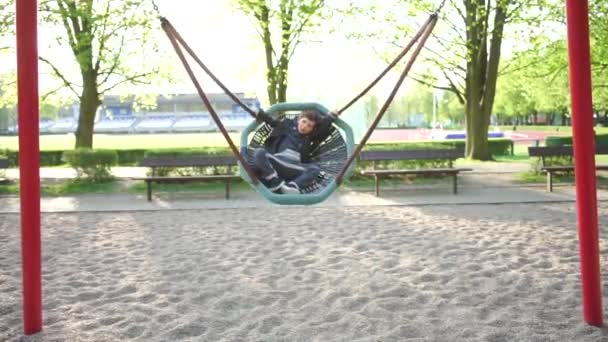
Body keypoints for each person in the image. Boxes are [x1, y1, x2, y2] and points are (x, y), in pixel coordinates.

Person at [251, 109, 340, 194]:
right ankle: (273, 179)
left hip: (295, 167)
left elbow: (322, 129)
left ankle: (292, 186)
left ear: (312, 129)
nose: (304, 126)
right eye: (304, 122)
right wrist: (259, 113)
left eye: (309, 126)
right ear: (298, 120)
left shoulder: (310, 136)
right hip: (278, 162)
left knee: (315, 169)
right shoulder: (285, 126)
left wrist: (331, 117)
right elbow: (271, 121)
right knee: (259, 152)